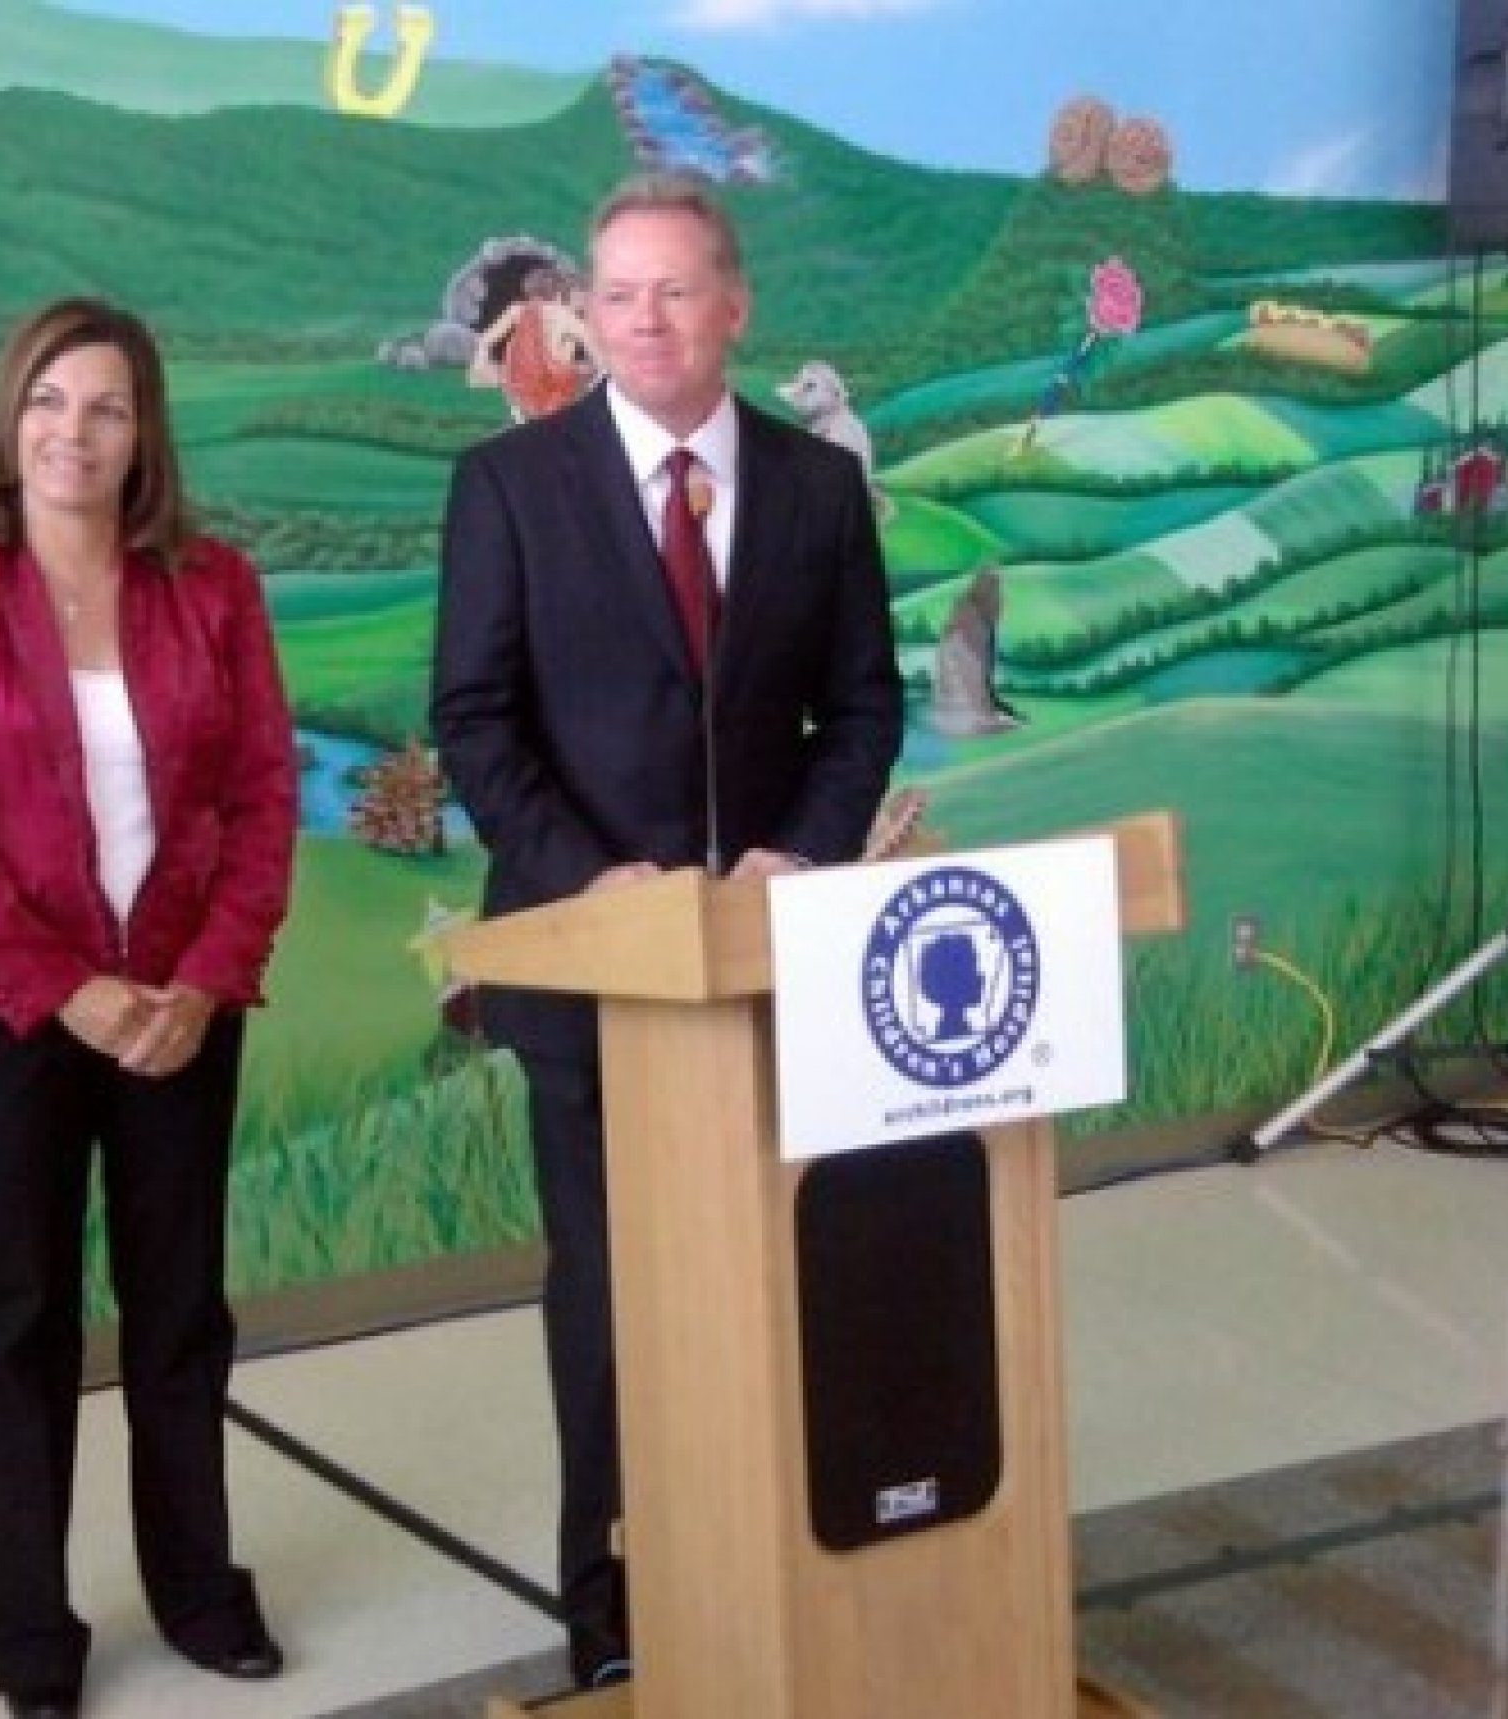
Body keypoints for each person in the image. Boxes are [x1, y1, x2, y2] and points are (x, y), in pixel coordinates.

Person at [430, 172, 904, 1690]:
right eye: (617, 293)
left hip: (776, 967)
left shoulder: (817, 490)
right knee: (613, 1290)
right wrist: (591, 882)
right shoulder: (509, 487)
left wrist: (803, 850)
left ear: (735, 305)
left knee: (784, 1266)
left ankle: (775, 1538)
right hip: (591, 971)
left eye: (674, 290)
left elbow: (868, 705)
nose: (642, 319)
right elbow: (475, 721)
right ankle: (612, 1591)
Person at [0, 297, 299, 1719]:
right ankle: (32, 1617)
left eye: (105, 408)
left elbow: (259, 798)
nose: (74, 432)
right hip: (4, 1018)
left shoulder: (214, 587)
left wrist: (205, 977)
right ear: (8, 419)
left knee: (180, 1309)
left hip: (183, 1006)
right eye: (49, 402)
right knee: (19, 1316)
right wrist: (67, 988)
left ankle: (195, 1583)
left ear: (142, 435)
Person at [466, 264, 598, 423]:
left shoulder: (517, 310)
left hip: (519, 387)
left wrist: (481, 368)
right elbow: (595, 347)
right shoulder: (563, 317)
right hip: (553, 388)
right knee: (587, 368)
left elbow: (486, 340)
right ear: (559, 294)